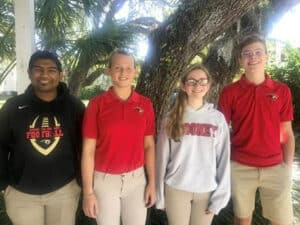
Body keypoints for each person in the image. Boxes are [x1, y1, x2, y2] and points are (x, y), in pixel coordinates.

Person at [0, 50, 85, 225]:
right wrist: (3, 184)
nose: (44, 74)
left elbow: (85, 146)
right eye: (38, 69)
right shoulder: (13, 107)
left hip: (64, 190)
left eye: (51, 70)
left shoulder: (74, 107)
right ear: (30, 73)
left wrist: (81, 182)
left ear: (60, 74)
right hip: (21, 193)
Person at [218, 34, 295, 225]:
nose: (253, 57)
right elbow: (220, 132)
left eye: (258, 52)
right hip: (240, 167)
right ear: (240, 60)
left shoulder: (281, 90)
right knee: (242, 220)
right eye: (247, 53)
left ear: (266, 56)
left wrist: (287, 167)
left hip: (277, 167)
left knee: (281, 221)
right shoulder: (229, 92)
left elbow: (287, 132)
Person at [81, 49, 156, 225]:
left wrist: (152, 182)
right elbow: (88, 150)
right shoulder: (96, 104)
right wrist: (88, 192)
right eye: (117, 68)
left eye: (128, 68)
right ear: (108, 71)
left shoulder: (145, 104)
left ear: (135, 71)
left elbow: (149, 146)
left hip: (137, 181)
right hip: (104, 181)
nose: (123, 73)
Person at [156, 64, 231, 225]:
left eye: (203, 81)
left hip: (206, 191)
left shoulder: (217, 119)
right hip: (176, 188)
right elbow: (161, 159)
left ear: (209, 85)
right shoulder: (171, 118)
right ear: (183, 85)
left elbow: (224, 160)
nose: (198, 86)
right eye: (192, 81)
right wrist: (160, 195)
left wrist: (220, 197)